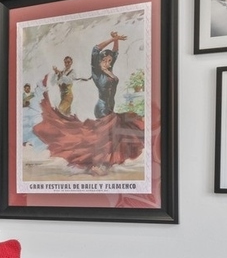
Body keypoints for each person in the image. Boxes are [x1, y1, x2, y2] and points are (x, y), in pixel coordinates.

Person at [30, 31, 144, 177]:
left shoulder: (109, 70)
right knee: (105, 138)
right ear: (100, 61)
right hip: (102, 108)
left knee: (113, 136)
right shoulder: (97, 72)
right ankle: (97, 165)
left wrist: (117, 41)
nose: (108, 63)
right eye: (105, 61)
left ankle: (101, 163)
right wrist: (112, 38)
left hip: (110, 106)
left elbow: (115, 52)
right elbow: (95, 50)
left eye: (110, 61)